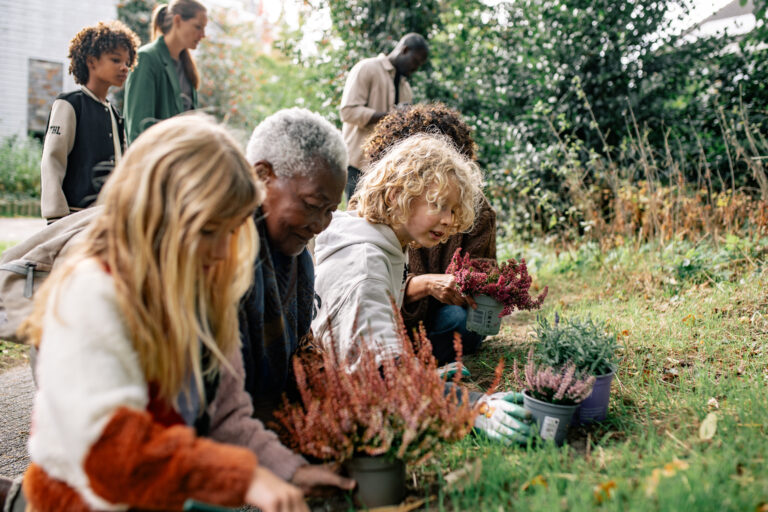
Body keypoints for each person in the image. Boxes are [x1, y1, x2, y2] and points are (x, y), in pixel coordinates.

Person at [17, 115, 350, 512]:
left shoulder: (205, 290)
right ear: (155, 212)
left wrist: (292, 471)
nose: (228, 252)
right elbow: (112, 454)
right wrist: (245, 478)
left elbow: (228, 418)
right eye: (211, 231)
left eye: (236, 231)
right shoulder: (92, 293)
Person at [312, 133, 532, 445]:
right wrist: (473, 408)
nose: (448, 219)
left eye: (453, 210)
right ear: (395, 196)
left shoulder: (384, 245)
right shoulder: (365, 267)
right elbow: (385, 377)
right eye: (438, 204)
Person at [233, 108, 348, 424]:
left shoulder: (300, 262)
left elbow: (301, 358)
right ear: (262, 176)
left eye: (329, 211)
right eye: (312, 205)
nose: (319, 225)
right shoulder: (221, 256)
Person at [363, 103, 496, 364]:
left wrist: (475, 283)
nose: (447, 219)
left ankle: (416, 362)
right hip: (392, 315)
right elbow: (374, 295)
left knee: (459, 321)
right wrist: (424, 285)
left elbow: (485, 268)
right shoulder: (380, 207)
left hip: (443, 317)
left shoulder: (476, 211)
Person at [40, 21, 140, 223]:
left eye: (127, 62)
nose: (124, 68)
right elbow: (52, 160)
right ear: (91, 61)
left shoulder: (114, 113)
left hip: (108, 217)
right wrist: (55, 215)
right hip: (73, 218)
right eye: (115, 60)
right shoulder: (69, 104)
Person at [339, 33, 428, 199]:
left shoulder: (406, 88)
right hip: (357, 164)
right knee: (356, 219)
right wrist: (391, 116)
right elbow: (347, 112)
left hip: (384, 170)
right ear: (404, 50)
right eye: (415, 61)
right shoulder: (367, 68)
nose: (415, 68)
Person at [124, 0, 206, 143]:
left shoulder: (187, 66)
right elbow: (138, 129)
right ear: (178, 20)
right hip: (157, 162)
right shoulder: (146, 58)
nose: (202, 35)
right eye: (198, 27)